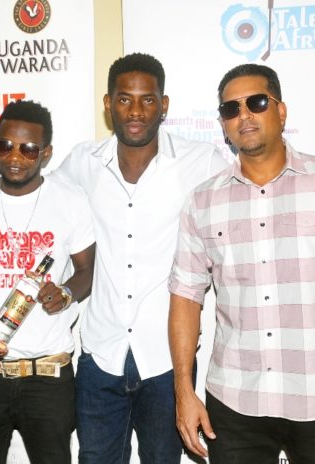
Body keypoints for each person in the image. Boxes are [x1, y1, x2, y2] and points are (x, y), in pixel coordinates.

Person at [54, 52, 228, 463]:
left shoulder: (201, 162)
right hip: (100, 355)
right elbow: (42, 210)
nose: (135, 111)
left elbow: (240, 211)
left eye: (147, 99)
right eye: (124, 99)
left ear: (163, 105)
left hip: (166, 361)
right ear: (108, 103)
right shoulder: (82, 163)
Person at [169, 63, 315, 464]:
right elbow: (185, 296)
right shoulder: (203, 201)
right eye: (231, 109)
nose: (244, 115)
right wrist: (183, 390)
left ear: (281, 111)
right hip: (235, 401)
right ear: (223, 124)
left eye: (257, 102)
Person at [0, 99, 95, 464]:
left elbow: (87, 271)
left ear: (46, 153)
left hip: (48, 375)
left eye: (28, 149)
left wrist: (65, 293)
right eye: (5, 145)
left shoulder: (71, 201)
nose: (14, 157)